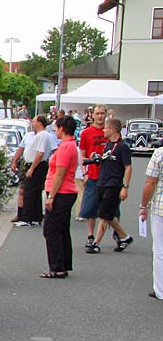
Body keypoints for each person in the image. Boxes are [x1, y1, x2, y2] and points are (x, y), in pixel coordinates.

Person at [87, 118, 133, 253]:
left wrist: (125, 187)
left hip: (113, 184)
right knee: (109, 214)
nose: (103, 130)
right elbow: (105, 160)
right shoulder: (108, 145)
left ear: (113, 130)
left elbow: (128, 167)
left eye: (106, 128)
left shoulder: (123, 147)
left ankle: (96, 243)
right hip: (102, 181)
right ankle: (125, 237)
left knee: (103, 214)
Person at [41, 116, 79, 278]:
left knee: (51, 230)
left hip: (62, 192)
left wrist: (51, 197)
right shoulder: (69, 145)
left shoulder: (65, 147)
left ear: (62, 128)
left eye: (56, 128)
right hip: (66, 191)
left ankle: (56, 267)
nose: (55, 131)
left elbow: (60, 174)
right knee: (62, 229)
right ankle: (63, 264)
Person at [78, 105, 109, 247]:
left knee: (111, 208)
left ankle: (116, 234)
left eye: (102, 113)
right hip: (93, 175)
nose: (100, 116)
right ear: (92, 115)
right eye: (97, 113)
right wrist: (84, 173)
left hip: (109, 176)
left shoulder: (110, 132)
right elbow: (82, 154)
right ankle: (90, 235)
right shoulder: (86, 133)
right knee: (90, 209)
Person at [14, 115, 54, 226]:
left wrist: (32, 168)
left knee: (29, 191)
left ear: (40, 123)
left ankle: (26, 218)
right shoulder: (44, 135)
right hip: (36, 165)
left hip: (35, 165)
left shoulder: (42, 135)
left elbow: (40, 153)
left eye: (35, 121)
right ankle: (36, 216)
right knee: (36, 192)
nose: (33, 123)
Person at [139, 146, 163, 299]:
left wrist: (143, 205)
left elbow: (150, 182)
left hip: (160, 207)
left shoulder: (159, 153)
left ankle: (160, 289)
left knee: (160, 249)